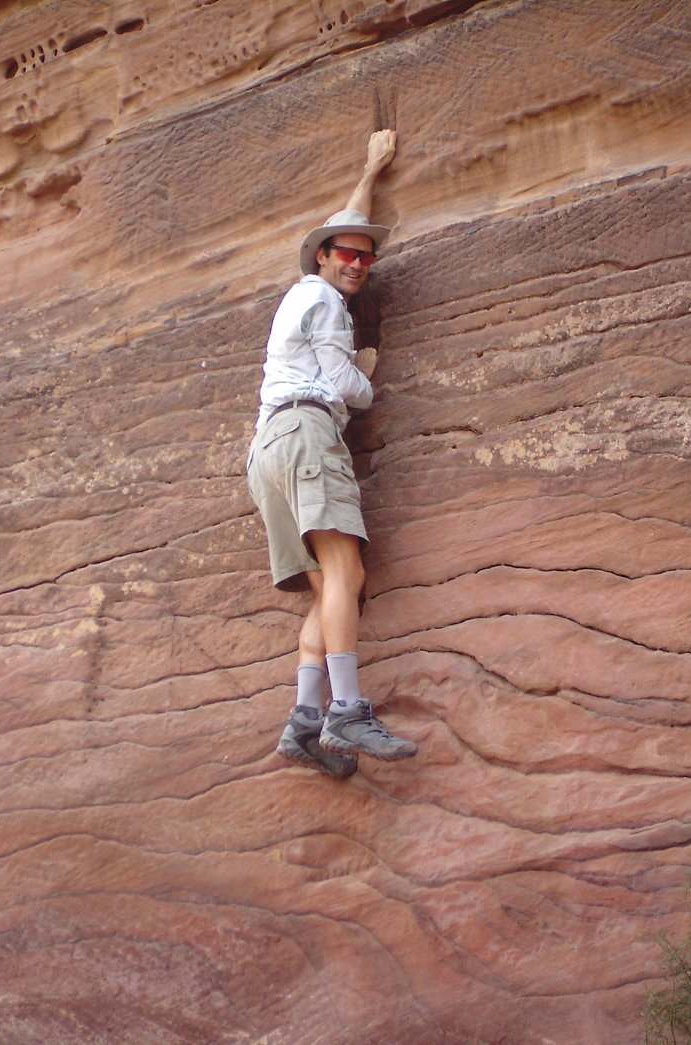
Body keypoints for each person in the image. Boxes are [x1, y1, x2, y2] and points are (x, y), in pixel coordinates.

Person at [246, 129, 417, 778]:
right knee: (345, 575)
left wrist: (371, 169)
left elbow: (345, 227)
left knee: (332, 592)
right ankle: (347, 710)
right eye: (346, 254)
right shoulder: (322, 300)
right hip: (308, 437)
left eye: (365, 258)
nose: (357, 264)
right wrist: (366, 371)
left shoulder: (309, 290)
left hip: (269, 451)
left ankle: (302, 722)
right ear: (320, 257)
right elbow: (348, 386)